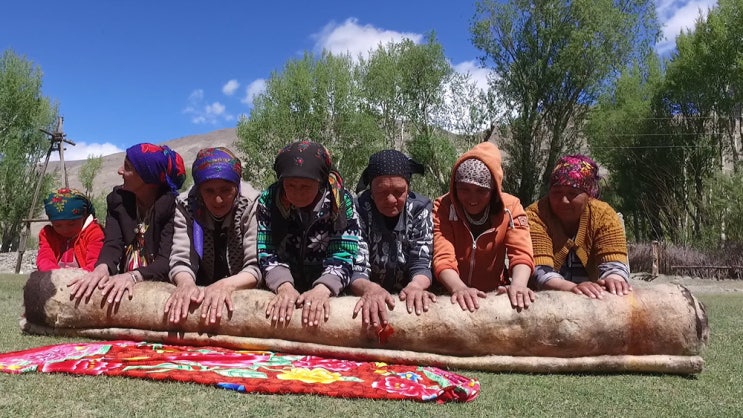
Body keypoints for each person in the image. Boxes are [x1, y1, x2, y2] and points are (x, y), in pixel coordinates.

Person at [257, 140, 362, 327]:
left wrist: (323, 288)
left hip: (328, 287)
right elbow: (267, 249)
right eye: (290, 185)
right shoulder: (269, 200)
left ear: (320, 182)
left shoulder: (340, 202)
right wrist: (284, 287)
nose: (297, 194)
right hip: (282, 286)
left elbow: (344, 252)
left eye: (305, 186)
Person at [68, 143, 186, 305]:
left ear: (147, 178)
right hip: (124, 277)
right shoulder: (118, 201)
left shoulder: (172, 207)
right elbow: (112, 243)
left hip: (160, 283)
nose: (120, 171)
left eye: (128, 167)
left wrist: (133, 277)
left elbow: (166, 260)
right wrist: (102, 268)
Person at [432, 142, 535, 312]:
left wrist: (518, 285)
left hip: (493, 293)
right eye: (464, 189)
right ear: (454, 187)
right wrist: (459, 288)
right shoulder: (443, 206)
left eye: (481, 190)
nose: (472, 198)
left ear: (494, 190)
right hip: (449, 293)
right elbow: (443, 255)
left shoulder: (512, 207)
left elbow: (521, 252)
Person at [165, 147, 261, 324]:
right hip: (201, 285)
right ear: (200, 190)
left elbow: (256, 266)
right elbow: (181, 258)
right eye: (209, 191)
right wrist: (186, 284)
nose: (218, 200)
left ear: (236, 186)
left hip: (241, 291)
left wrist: (225, 286)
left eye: (226, 190)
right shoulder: (186, 205)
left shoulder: (252, 203)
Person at [350, 149, 436, 327]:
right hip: (365, 293)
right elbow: (357, 266)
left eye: (399, 191)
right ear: (371, 190)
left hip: (406, 297)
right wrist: (370, 288)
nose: (390, 200)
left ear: (408, 188)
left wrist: (416, 286)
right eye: (381, 192)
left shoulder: (420, 209)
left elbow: (422, 261)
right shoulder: (358, 209)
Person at [526, 154, 631, 298]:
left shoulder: (604, 215)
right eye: (556, 192)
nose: (564, 200)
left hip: (593, 300)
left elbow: (614, 263)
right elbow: (539, 270)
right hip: (544, 300)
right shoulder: (535, 215)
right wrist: (574, 288)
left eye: (572, 193)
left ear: (589, 195)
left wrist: (614, 280)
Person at [36, 188, 104, 272]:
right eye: (58, 225)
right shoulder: (48, 235)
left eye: (71, 224)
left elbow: (96, 262)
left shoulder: (93, 233)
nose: (65, 230)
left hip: (85, 279)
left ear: (84, 217)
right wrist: (56, 276)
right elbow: (44, 259)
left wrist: (80, 277)